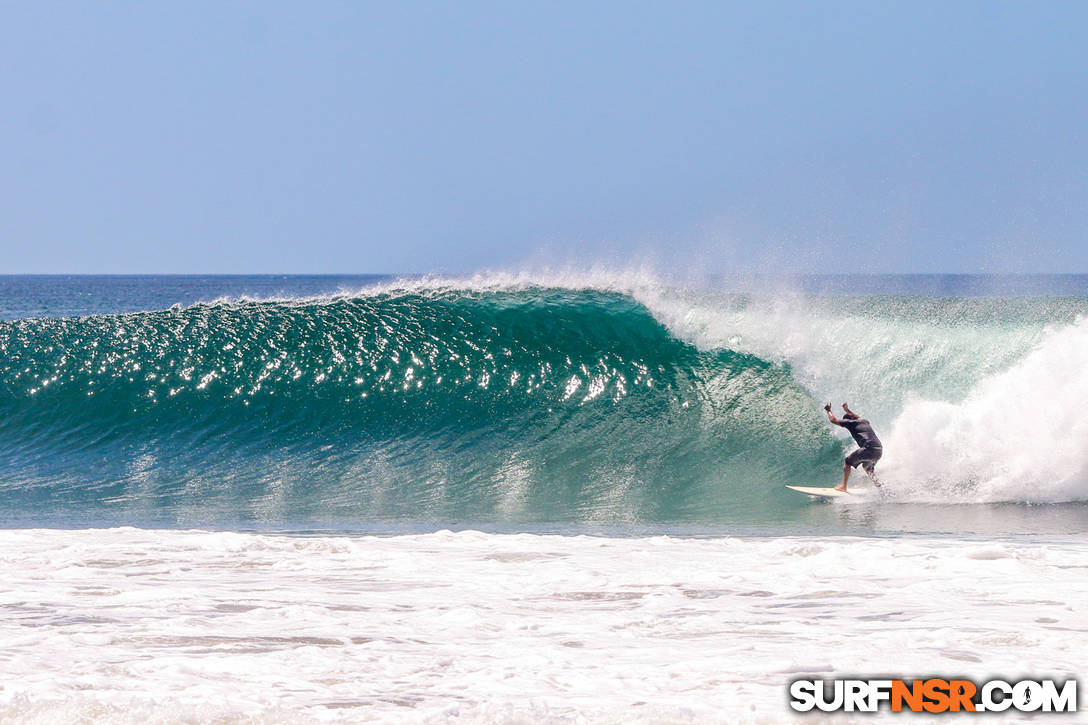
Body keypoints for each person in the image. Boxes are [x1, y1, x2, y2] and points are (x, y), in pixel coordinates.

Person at [824, 402, 882, 492]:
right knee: (867, 468)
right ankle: (879, 487)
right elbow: (856, 416)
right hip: (879, 450)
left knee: (847, 461)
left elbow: (833, 420)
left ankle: (843, 487)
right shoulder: (864, 421)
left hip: (868, 448)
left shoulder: (850, 423)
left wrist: (828, 410)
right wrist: (847, 410)